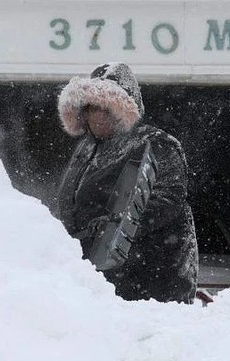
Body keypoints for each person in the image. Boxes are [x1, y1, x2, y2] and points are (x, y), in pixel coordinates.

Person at [56, 62, 198, 303]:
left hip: (150, 283)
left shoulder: (155, 143)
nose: (97, 115)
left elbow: (168, 200)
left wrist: (112, 226)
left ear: (122, 110)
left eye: (105, 108)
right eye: (91, 108)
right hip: (97, 281)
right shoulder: (86, 149)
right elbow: (72, 205)